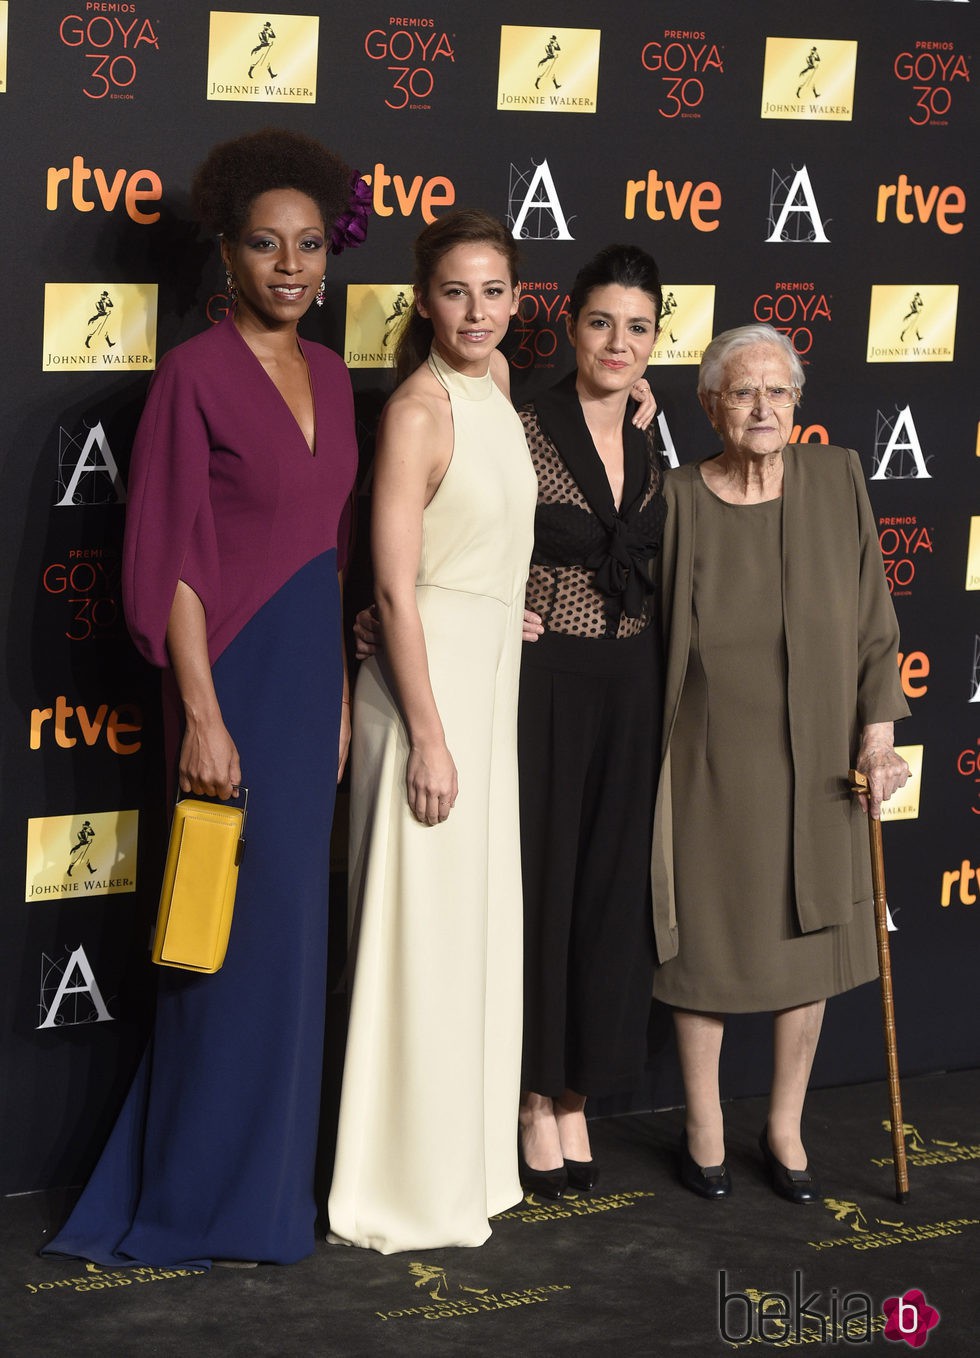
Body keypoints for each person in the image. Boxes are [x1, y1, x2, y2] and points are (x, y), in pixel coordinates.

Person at [42, 127, 367, 1267]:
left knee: (284, 946)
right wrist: (206, 713)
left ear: (329, 256)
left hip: (305, 677)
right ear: (226, 255)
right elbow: (168, 557)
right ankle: (189, 1197)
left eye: (309, 246)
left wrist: (335, 695)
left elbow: (329, 550)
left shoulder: (331, 374)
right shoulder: (192, 372)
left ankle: (268, 1197)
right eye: (265, 245)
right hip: (226, 680)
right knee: (214, 948)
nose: (290, 266)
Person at [651, 323, 910, 1203]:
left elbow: (876, 624)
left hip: (823, 760)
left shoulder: (836, 478)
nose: (762, 407)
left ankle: (785, 1124)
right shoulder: (678, 497)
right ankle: (704, 1124)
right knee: (707, 945)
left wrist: (877, 737)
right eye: (741, 391)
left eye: (778, 391)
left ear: (798, 404)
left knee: (813, 945)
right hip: (708, 762)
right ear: (710, 405)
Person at [326, 209, 537, 1253]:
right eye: (455, 291)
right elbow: (394, 590)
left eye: (493, 290)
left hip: (480, 685)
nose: (476, 311)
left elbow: (480, 541)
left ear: (514, 299)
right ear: (422, 300)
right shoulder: (415, 409)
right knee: (419, 942)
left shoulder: (494, 390)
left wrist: (508, 604)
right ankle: (397, 1181)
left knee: (468, 943)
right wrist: (429, 734)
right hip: (429, 700)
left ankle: (463, 1162)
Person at [516, 245, 666, 1199]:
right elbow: (464, 528)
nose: (619, 342)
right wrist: (494, 604)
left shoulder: (658, 436)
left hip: (635, 681)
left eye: (639, 327)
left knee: (612, 890)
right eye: (603, 322)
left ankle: (578, 1092)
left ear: (657, 339)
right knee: (548, 883)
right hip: (546, 683)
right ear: (571, 325)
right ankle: (532, 1097)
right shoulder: (522, 424)